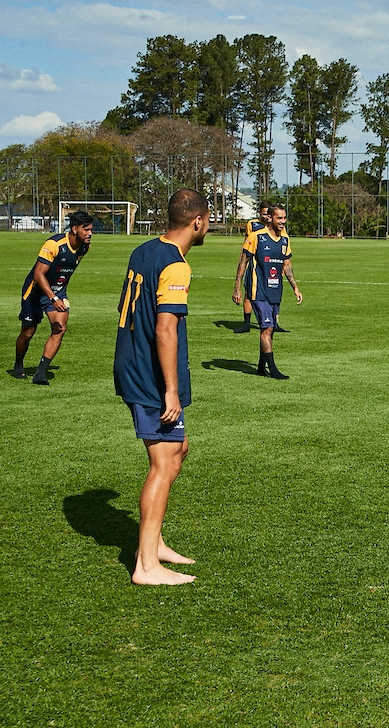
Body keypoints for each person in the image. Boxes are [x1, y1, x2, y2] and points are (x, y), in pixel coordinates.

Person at [114, 188, 209, 585]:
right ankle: (146, 566)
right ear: (197, 222)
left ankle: (154, 544)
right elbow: (165, 329)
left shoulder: (145, 249)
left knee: (179, 450)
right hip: (151, 375)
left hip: (136, 363)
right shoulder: (176, 265)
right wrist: (170, 389)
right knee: (163, 462)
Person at [15, 210, 94, 384]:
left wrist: (59, 294)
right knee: (28, 333)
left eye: (90, 230)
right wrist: (53, 298)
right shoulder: (54, 244)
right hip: (35, 292)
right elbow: (38, 274)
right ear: (74, 229)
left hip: (57, 291)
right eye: (86, 229)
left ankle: (40, 374)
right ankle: (18, 365)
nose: (90, 233)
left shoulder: (84, 248)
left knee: (59, 328)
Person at [233, 205, 302, 379]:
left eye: (284, 218)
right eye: (279, 218)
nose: (283, 222)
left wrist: (295, 288)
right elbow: (243, 262)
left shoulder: (285, 240)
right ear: (270, 218)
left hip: (275, 290)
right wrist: (237, 288)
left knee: (268, 330)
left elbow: (287, 266)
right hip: (258, 291)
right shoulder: (256, 237)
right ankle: (273, 370)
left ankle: (260, 367)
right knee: (267, 327)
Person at [234, 203, 272, 334]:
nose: (267, 216)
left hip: (269, 264)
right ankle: (246, 323)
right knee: (248, 293)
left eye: (269, 213)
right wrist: (242, 260)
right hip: (254, 263)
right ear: (259, 212)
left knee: (272, 292)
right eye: (264, 213)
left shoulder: (275, 224)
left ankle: (274, 323)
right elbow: (246, 244)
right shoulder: (252, 224)